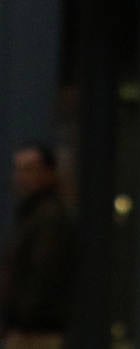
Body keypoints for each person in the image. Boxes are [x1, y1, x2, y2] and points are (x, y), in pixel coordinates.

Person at [1, 144, 73, 349]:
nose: (22, 176)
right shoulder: (31, 215)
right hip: (28, 328)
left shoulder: (49, 217)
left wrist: (21, 318)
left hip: (37, 331)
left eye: (30, 169)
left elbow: (44, 273)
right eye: (19, 169)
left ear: (48, 172)